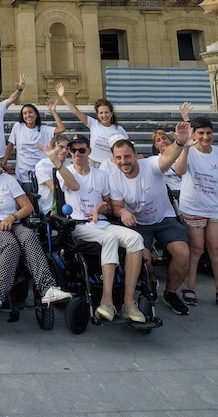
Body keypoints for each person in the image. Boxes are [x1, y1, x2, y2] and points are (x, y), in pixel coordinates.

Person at [0, 142, 72, 310]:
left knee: (29, 236)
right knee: (11, 244)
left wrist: (11, 217)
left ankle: (48, 288)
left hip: (13, 222)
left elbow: (27, 207)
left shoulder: (8, 180)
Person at [55, 134, 147, 323]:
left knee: (135, 239)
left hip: (102, 223)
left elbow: (108, 204)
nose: (77, 153)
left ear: (89, 151)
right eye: (73, 150)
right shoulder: (64, 171)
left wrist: (98, 208)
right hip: (78, 225)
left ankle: (128, 302)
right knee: (110, 240)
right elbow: (73, 185)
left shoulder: (102, 175)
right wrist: (55, 161)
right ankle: (107, 301)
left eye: (81, 150)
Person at [107, 132, 192, 316]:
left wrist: (179, 142)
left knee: (183, 253)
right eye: (119, 158)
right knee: (145, 261)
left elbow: (168, 157)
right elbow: (116, 206)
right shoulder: (114, 177)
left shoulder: (151, 165)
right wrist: (123, 212)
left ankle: (170, 293)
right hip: (138, 224)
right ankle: (151, 281)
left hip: (164, 218)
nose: (124, 161)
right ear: (113, 159)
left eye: (127, 156)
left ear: (136, 155)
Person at [174, 116, 218, 310]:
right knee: (196, 249)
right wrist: (185, 146)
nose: (205, 137)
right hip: (193, 208)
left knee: (216, 249)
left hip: (217, 208)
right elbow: (179, 170)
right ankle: (189, 287)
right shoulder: (189, 152)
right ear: (194, 134)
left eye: (208, 133)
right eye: (201, 133)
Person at [54, 84, 123, 167]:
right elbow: (75, 111)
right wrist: (63, 96)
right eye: (101, 113)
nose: (104, 115)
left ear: (111, 114)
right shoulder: (93, 124)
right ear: (97, 115)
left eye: (106, 112)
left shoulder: (118, 130)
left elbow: (126, 147)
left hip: (109, 165)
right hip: (91, 163)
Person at [6, 100, 66, 184]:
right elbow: (10, 144)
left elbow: (61, 129)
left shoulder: (44, 130)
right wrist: (4, 162)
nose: (28, 115)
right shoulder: (18, 127)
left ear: (36, 114)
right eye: (25, 113)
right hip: (23, 176)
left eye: (30, 112)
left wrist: (53, 111)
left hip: (41, 176)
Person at [33, 134, 70, 216]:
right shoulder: (42, 164)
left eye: (67, 148)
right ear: (53, 148)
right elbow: (53, 188)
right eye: (61, 147)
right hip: (50, 206)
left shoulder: (69, 165)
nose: (64, 151)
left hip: (69, 205)